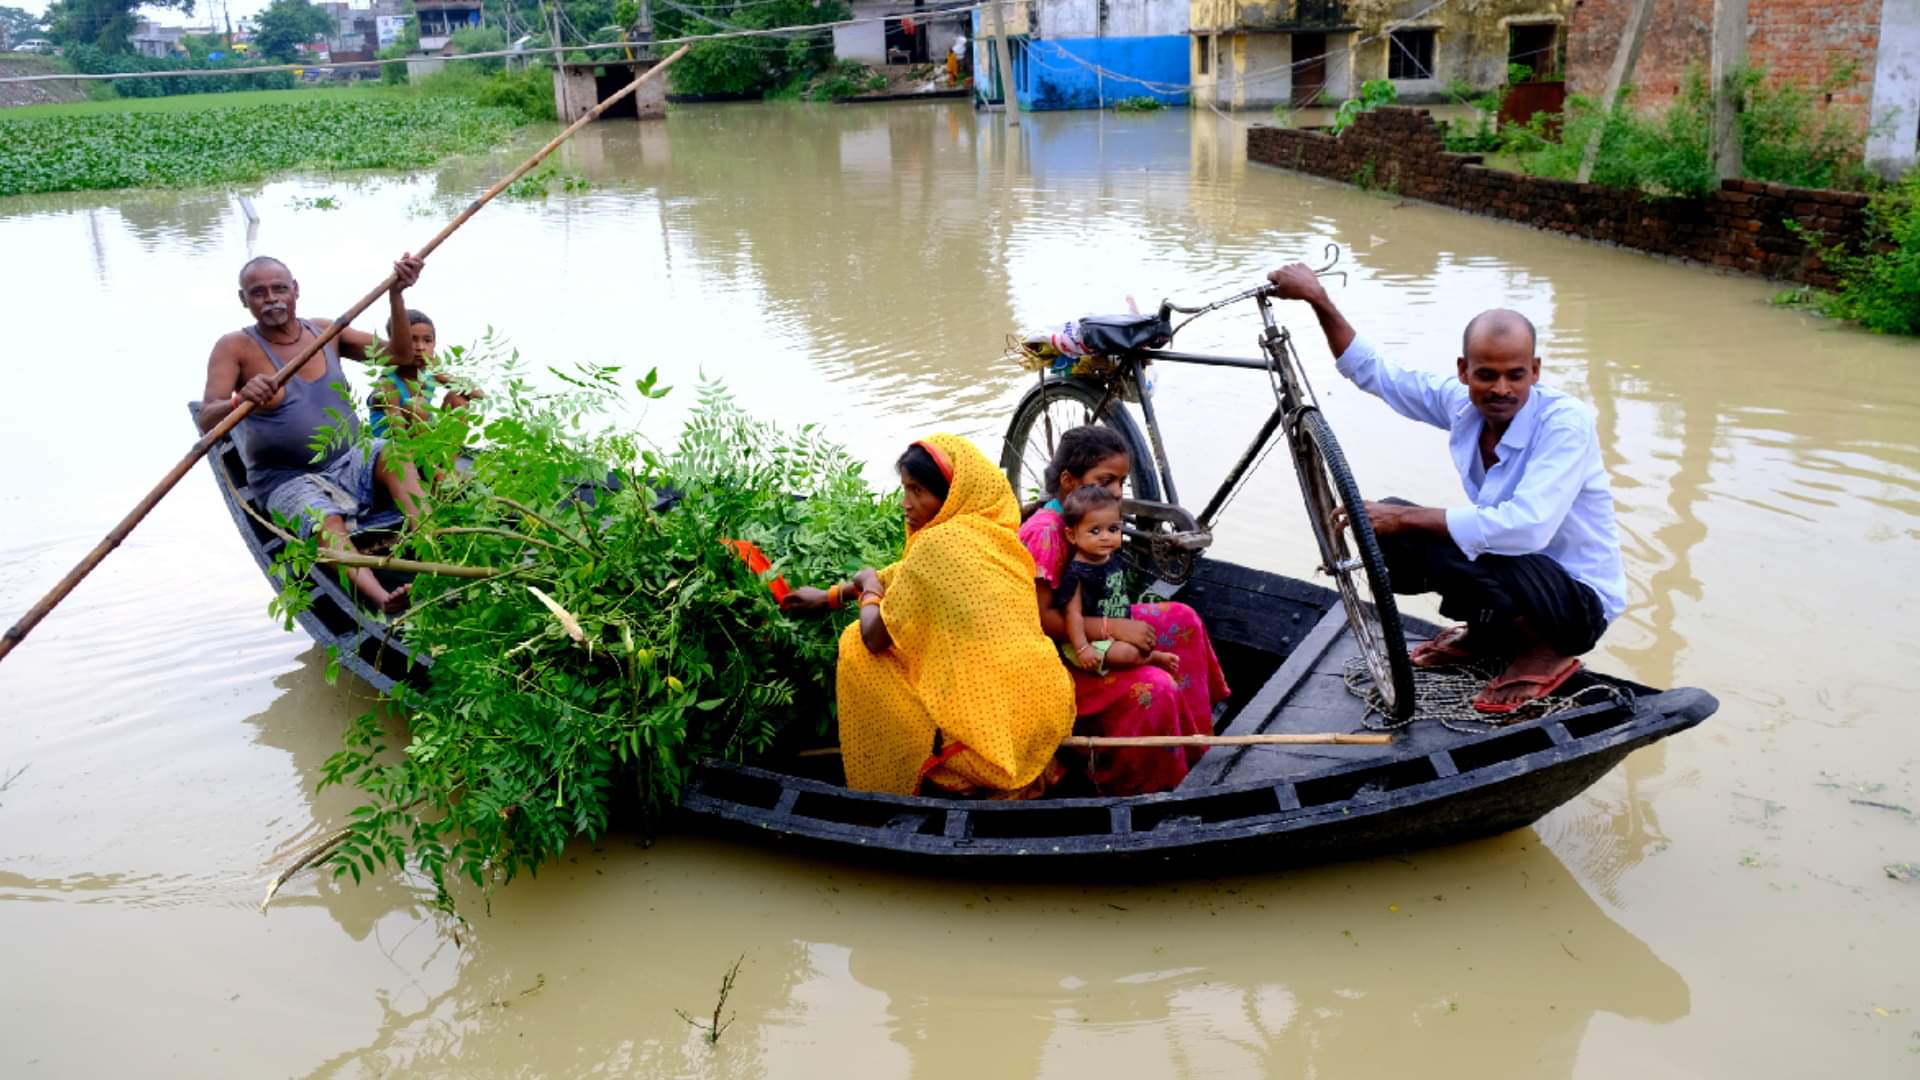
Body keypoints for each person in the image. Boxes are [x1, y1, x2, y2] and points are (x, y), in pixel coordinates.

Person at [1266, 262, 1628, 713]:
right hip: (1515, 571)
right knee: (1386, 524)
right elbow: (1374, 372)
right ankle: (1489, 632)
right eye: (1486, 375)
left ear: (1535, 371)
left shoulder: (1565, 424)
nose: (1501, 389)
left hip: (1575, 603)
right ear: (1464, 371)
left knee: (1409, 521)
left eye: (1515, 375)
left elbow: (1526, 530)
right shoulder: (1464, 406)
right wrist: (1317, 299)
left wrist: (1403, 518)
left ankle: (1545, 652)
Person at [781, 436, 1075, 797]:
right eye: (905, 490)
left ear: (950, 493)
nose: (906, 504)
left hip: (990, 750)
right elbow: (903, 576)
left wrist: (868, 582)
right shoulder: (996, 537)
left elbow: (876, 636)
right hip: (1045, 720)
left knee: (856, 643)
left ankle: (940, 766)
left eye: (917, 491)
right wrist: (832, 595)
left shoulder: (936, 547)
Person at [197, 254, 429, 614]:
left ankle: (433, 547)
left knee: (394, 454)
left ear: (295, 291)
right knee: (325, 520)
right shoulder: (234, 347)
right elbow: (207, 419)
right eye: (258, 293)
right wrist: (241, 398)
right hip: (287, 479)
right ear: (244, 300)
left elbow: (401, 356)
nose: (271, 298)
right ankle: (381, 598)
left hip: (348, 459)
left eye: (279, 289)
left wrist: (396, 295)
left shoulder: (325, 331)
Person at [1017, 426, 1230, 795]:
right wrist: (1114, 627)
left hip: (1090, 622)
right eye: (1106, 480)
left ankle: (1195, 744)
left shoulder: (1083, 516)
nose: (1117, 491)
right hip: (1058, 655)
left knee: (1183, 619)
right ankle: (1152, 783)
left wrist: (1114, 625)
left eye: (1121, 481)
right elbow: (1040, 620)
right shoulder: (1048, 533)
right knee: (1155, 687)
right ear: (1069, 481)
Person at [1052, 486, 1179, 676]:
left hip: (1117, 626)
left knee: (1146, 637)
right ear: (1072, 535)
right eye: (1095, 531)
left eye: (1113, 529)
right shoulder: (1077, 572)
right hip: (1089, 640)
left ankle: (1146, 654)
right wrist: (1082, 648)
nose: (1106, 537)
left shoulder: (1112, 558)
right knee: (1127, 653)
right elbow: (1073, 615)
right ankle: (1153, 658)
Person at [366, 308, 479, 439]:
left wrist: (441, 376)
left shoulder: (429, 375)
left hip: (424, 442)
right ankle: (426, 458)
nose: (420, 347)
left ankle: (448, 458)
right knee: (417, 406)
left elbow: (478, 394)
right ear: (395, 344)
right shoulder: (387, 384)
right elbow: (398, 434)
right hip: (393, 452)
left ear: (434, 344)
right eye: (412, 340)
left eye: (427, 340)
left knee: (459, 399)